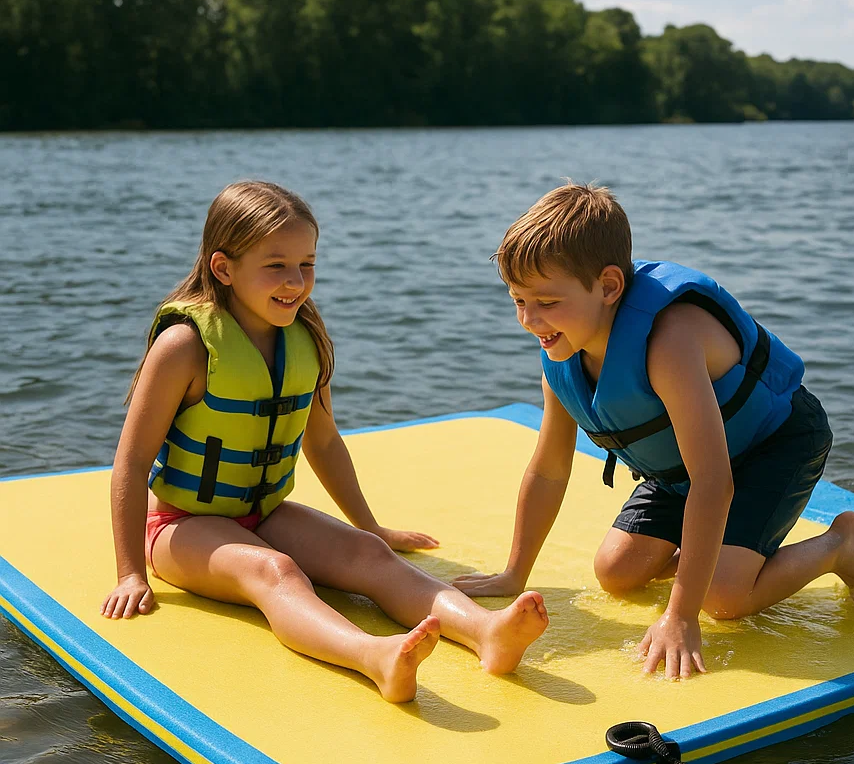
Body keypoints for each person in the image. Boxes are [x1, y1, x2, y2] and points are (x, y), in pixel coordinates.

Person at [101, 180, 548, 703]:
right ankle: (373, 656)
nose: (296, 281)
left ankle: (484, 631)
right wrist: (130, 573)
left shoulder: (304, 339)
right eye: (276, 266)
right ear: (224, 268)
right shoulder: (185, 347)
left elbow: (326, 444)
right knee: (275, 570)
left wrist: (372, 525)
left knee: (368, 553)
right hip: (181, 527)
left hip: (265, 512)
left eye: (306, 265)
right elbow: (130, 464)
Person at [455, 183, 854, 680]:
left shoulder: (669, 343)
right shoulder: (562, 352)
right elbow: (550, 469)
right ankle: (720, 550)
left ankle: (840, 545)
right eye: (518, 301)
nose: (529, 320)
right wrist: (515, 573)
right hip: (686, 470)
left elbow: (715, 482)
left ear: (608, 286)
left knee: (723, 598)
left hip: (772, 445)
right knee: (616, 573)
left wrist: (681, 614)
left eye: (547, 302)